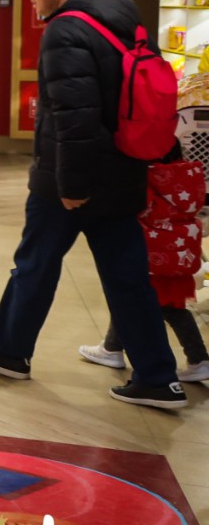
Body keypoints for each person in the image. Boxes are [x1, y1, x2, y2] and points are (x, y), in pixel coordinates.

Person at [0, 0, 185, 408]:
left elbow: (75, 116)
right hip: (125, 169)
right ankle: (159, 377)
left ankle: (9, 351)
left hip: (71, 180)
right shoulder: (127, 20)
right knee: (128, 276)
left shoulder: (66, 30)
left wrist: (73, 187)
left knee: (35, 264)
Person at [78, 143, 209, 381]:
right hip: (178, 257)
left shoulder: (151, 180)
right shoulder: (188, 178)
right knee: (164, 306)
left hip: (153, 258)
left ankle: (199, 359)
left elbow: (136, 210)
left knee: (140, 302)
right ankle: (112, 348)